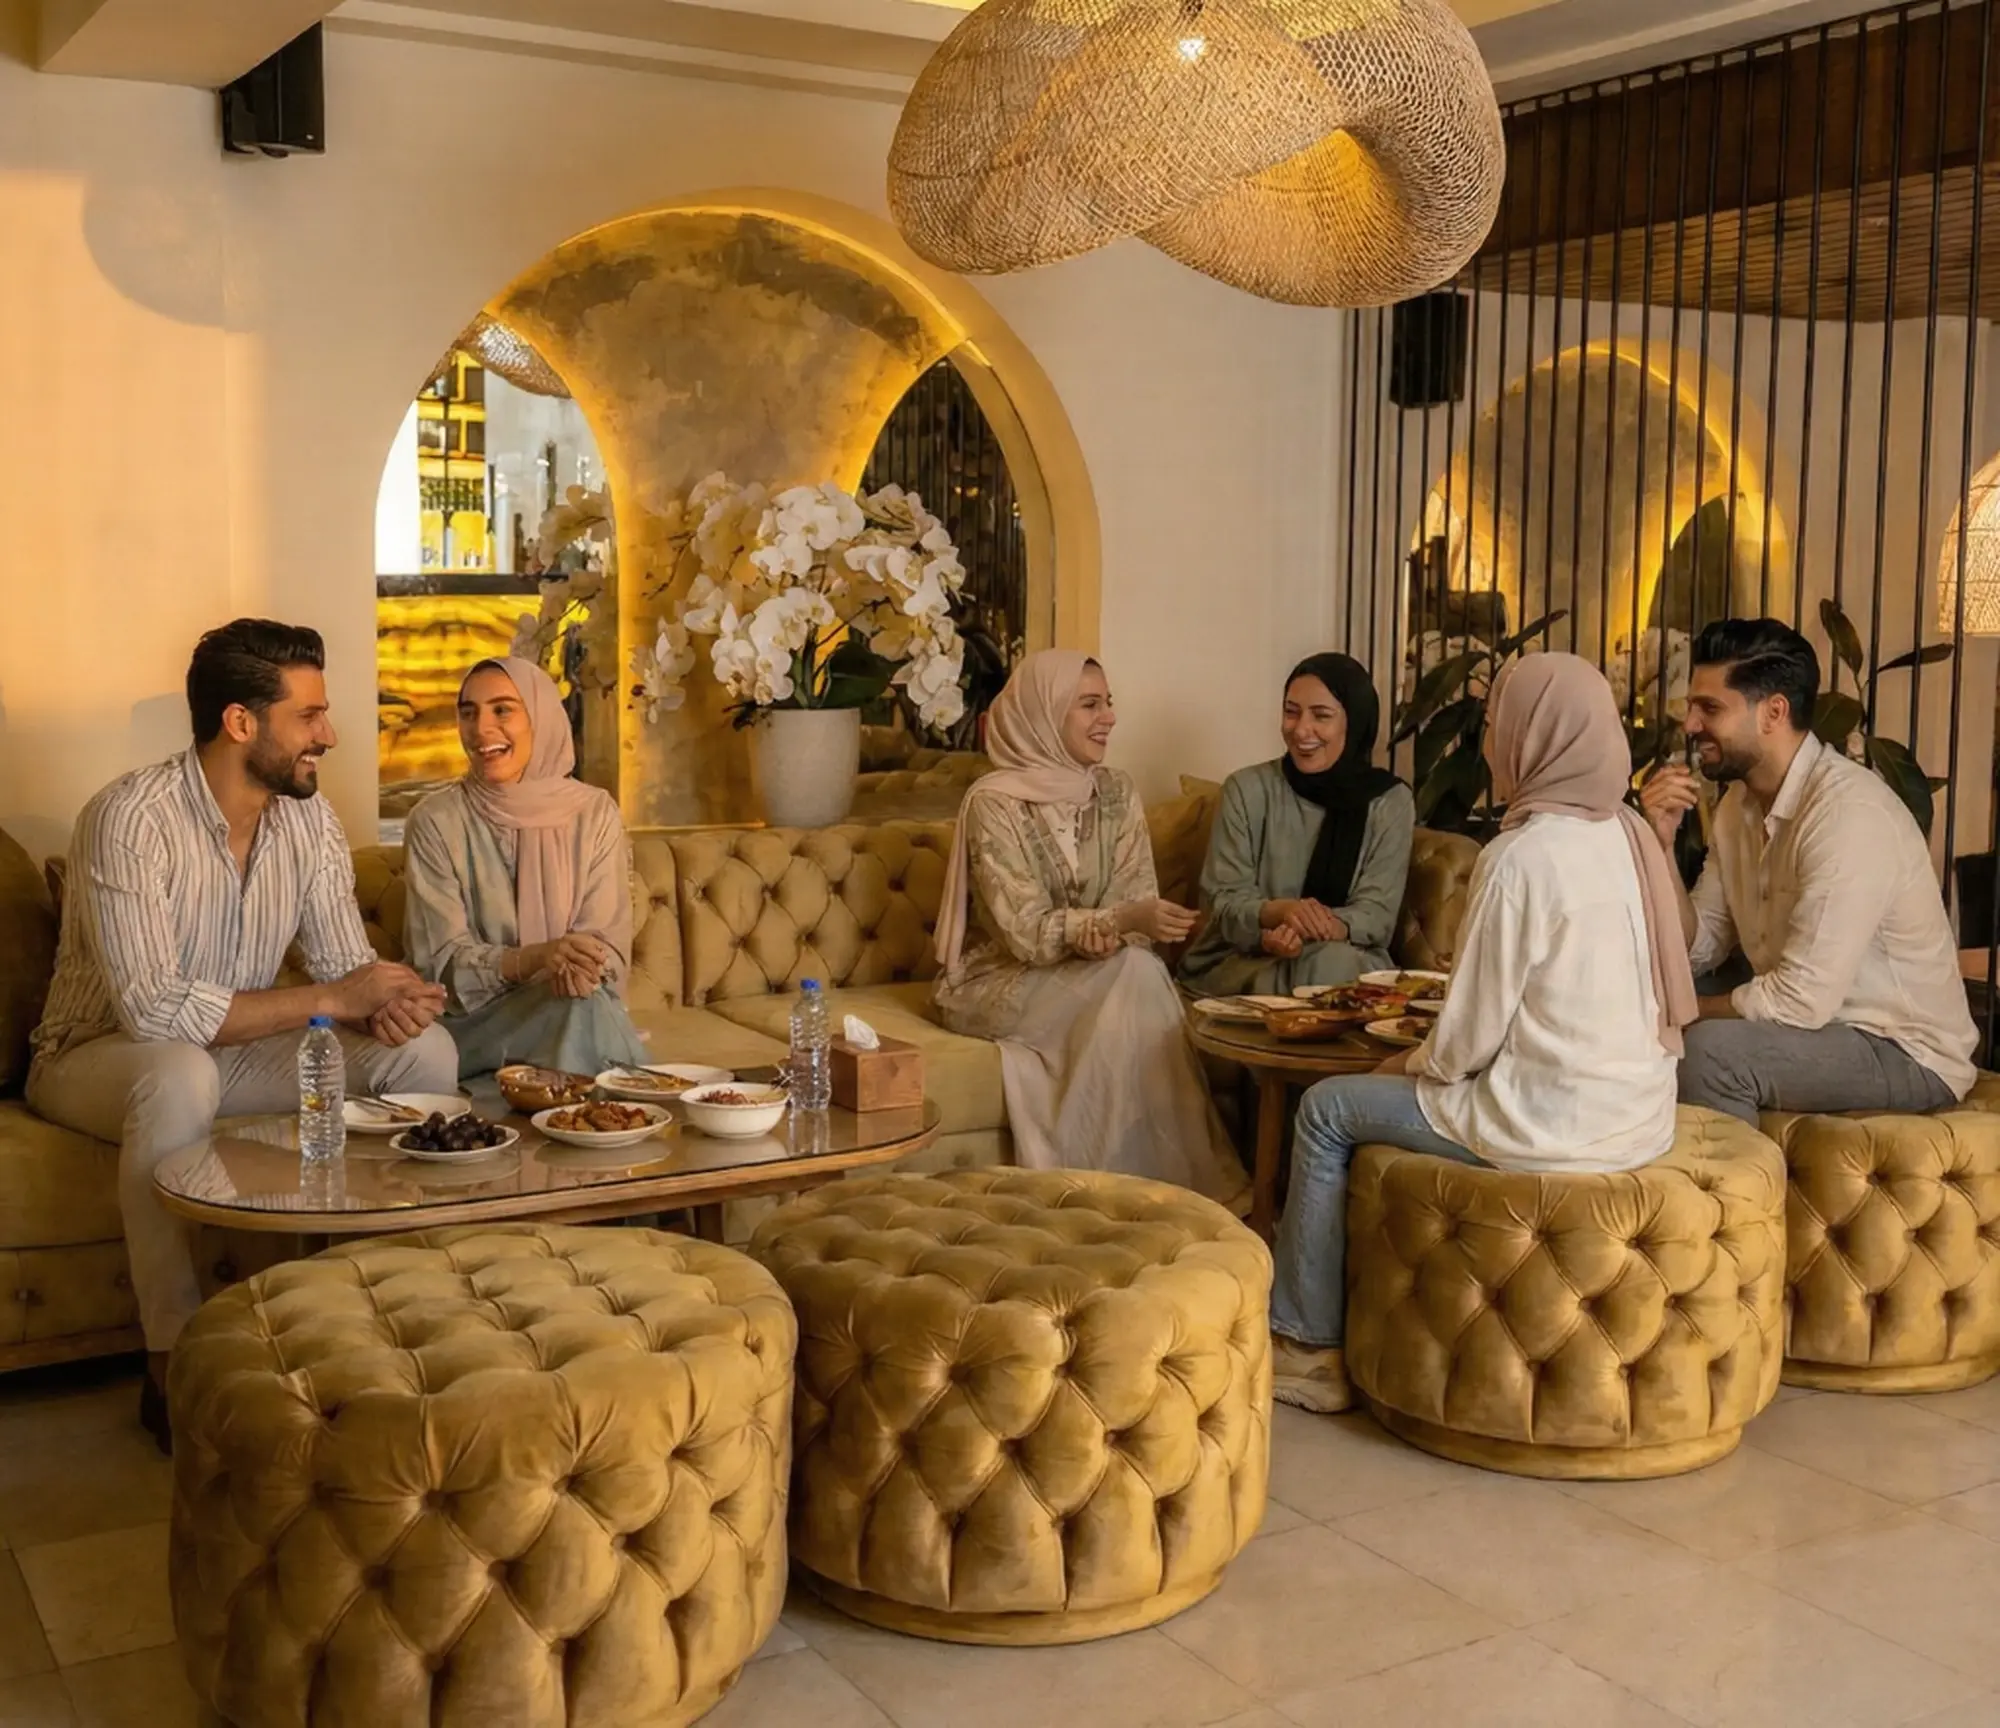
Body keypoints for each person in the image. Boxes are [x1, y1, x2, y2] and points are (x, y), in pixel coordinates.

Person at [27, 621, 457, 1449]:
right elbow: (153, 1013)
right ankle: (173, 1360)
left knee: (427, 1055)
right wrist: (338, 995)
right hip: (94, 1055)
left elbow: (341, 965)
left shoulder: (308, 822)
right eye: (310, 717)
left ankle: (387, 1312)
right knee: (177, 1071)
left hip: (234, 1051)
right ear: (240, 723)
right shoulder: (127, 818)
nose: (328, 735)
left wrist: (388, 1004)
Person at [1269, 653, 1695, 1413]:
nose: (1492, 742)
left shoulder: (1522, 856)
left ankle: (1306, 1346)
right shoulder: (1628, 834)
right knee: (1374, 1089)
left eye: (1500, 724)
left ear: (1538, 737)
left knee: (1328, 1109)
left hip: (1547, 1121)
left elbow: (1466, 1042)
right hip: (1639, 1117)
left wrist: (1406, 1060)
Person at [932, 650, 1245, 1203]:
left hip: (1101, 973)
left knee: (1135, 973)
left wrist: (1120, 930)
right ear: (1044, 714)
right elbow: (1024, 931)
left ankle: (1122, 1195)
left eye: (1109, 702)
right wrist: (1114, 923)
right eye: (1089, 704)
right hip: (998, 981)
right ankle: (1144, 1196)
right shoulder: (993, 803)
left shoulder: (1117, 793)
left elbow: (1135, 904)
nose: (1110, 717)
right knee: (1137, 981)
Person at [1639, 618, 1977, 1121]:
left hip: (1904, 1050)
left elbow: (1798, 1002)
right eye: (1692, 706)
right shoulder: (1737, 806)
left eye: (1709, 708)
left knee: (1710, 1054)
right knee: (1635, 1003)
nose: (1689, 725)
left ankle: (1737, 1198)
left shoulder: (1848, 814)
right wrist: (1661, 846)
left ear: (1773, 712)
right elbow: (1698, 947)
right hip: (1822, 1027)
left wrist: (1679, 1017)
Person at [401, 658, 647, 1078]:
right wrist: (533, 959)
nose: (480, 729)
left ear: (540, 717)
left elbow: (607, 946)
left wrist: (577, 966)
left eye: (502, 710)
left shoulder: (594, 813)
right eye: (468, 713)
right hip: (474, 1026)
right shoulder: (436, 821)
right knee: (581, 1016)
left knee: (579, 1005)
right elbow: (438, 968)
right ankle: (617, 1117)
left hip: (576, 1004)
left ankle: (568, 1117)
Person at [1180, 652, 1414, 998]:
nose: (1301, 729)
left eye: (1321, 716)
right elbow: (1222, 902)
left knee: (1332, 965)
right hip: (1245, 959)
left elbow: (1377, 913)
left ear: (1355, 722)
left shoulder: (1389, 802)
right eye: (1291, 712)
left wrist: (1313, 927)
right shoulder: (1246, 790)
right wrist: (1276, 916)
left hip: (1345, 956)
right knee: (1329, 974)